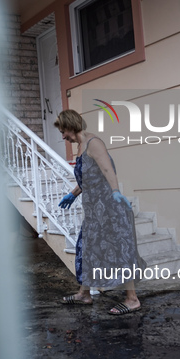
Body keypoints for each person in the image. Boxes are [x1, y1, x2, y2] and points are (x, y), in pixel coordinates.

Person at [55, 110, 146, 315]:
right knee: (87, 249)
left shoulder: (93, 143)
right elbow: (89, 178)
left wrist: (115, 191)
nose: (63, 137)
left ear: (72, 126)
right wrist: (73, 193)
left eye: (64, 132)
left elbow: (107, 170)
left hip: (110, 208)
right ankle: (84, 293)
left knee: (119, 251)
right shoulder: (80, 146)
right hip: (95, 211)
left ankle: (132, 299)